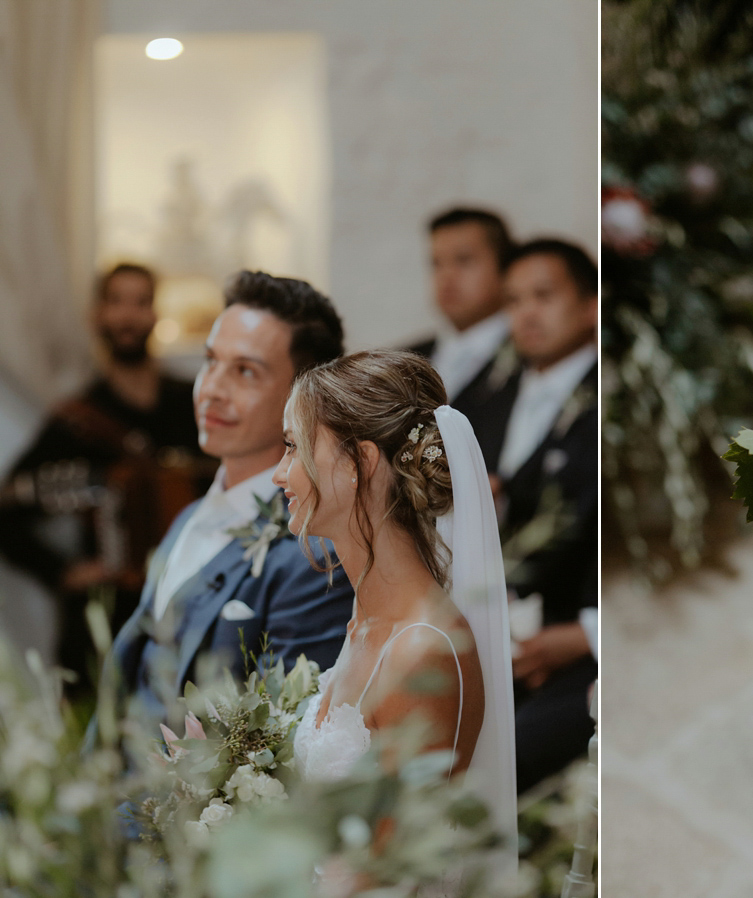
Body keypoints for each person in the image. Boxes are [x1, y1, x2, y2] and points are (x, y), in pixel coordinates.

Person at [276, 349, 517, 871]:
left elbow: (391, 875)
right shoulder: (365, 620)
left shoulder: (421, 650)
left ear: (360, 462)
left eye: (294, 448)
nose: (280, 473)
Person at [102, 271, 355, 733]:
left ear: (303, 398)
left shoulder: (315, 555)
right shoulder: (187, 515)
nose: (211, 388)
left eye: (244, 371)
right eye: (210, 361)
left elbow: (277, 740)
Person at [0, 262, 208, 693]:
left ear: (154, 315)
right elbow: (7, 508)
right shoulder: (76, 421)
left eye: (141, 302)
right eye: (116, 302)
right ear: (97, 315)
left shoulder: (194, 406)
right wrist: (63, 571)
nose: (128, 316)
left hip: (191, 608)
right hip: (106, 622)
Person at [494, 239, 598, 793]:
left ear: (591, 305)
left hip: (581, 641)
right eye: (513, 300)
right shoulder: (496, 390)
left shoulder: (605, 398)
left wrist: (587, 635)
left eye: (543, 295)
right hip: (499, 624)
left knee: (508, 759)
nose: (526, 313)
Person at [409, 207, 520, 469]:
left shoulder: (531, 357)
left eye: (464, 260)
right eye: (437, 263)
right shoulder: (406, 358)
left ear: (505, 269)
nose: (447, 276)